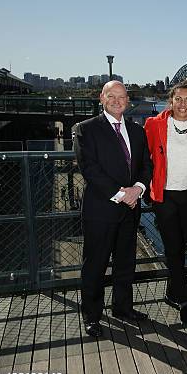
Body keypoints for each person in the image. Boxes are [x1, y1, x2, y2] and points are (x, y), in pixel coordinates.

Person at [74, 81, 153, 337]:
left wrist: (138, 189)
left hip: (130, 210)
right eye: (111, 96)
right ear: (102, 98)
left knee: (125, 263)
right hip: (101, 210)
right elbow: (90, 170)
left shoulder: (137, 131)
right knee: (95, 265)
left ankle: (123, 308)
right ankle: (92, 315)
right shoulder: (86, 130)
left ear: (127, 100)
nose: (117, 101)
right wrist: (123, 194)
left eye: (121, 97)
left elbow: (145, 165)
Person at [144, 79, 187, 324]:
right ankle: (185, 302)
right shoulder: (153, 124)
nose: (182, 104)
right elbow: (144, 158)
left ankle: (172, 291)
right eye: (178, 99)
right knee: (173, 248)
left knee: (180, 246)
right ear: (170, 100)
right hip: (164, 195)